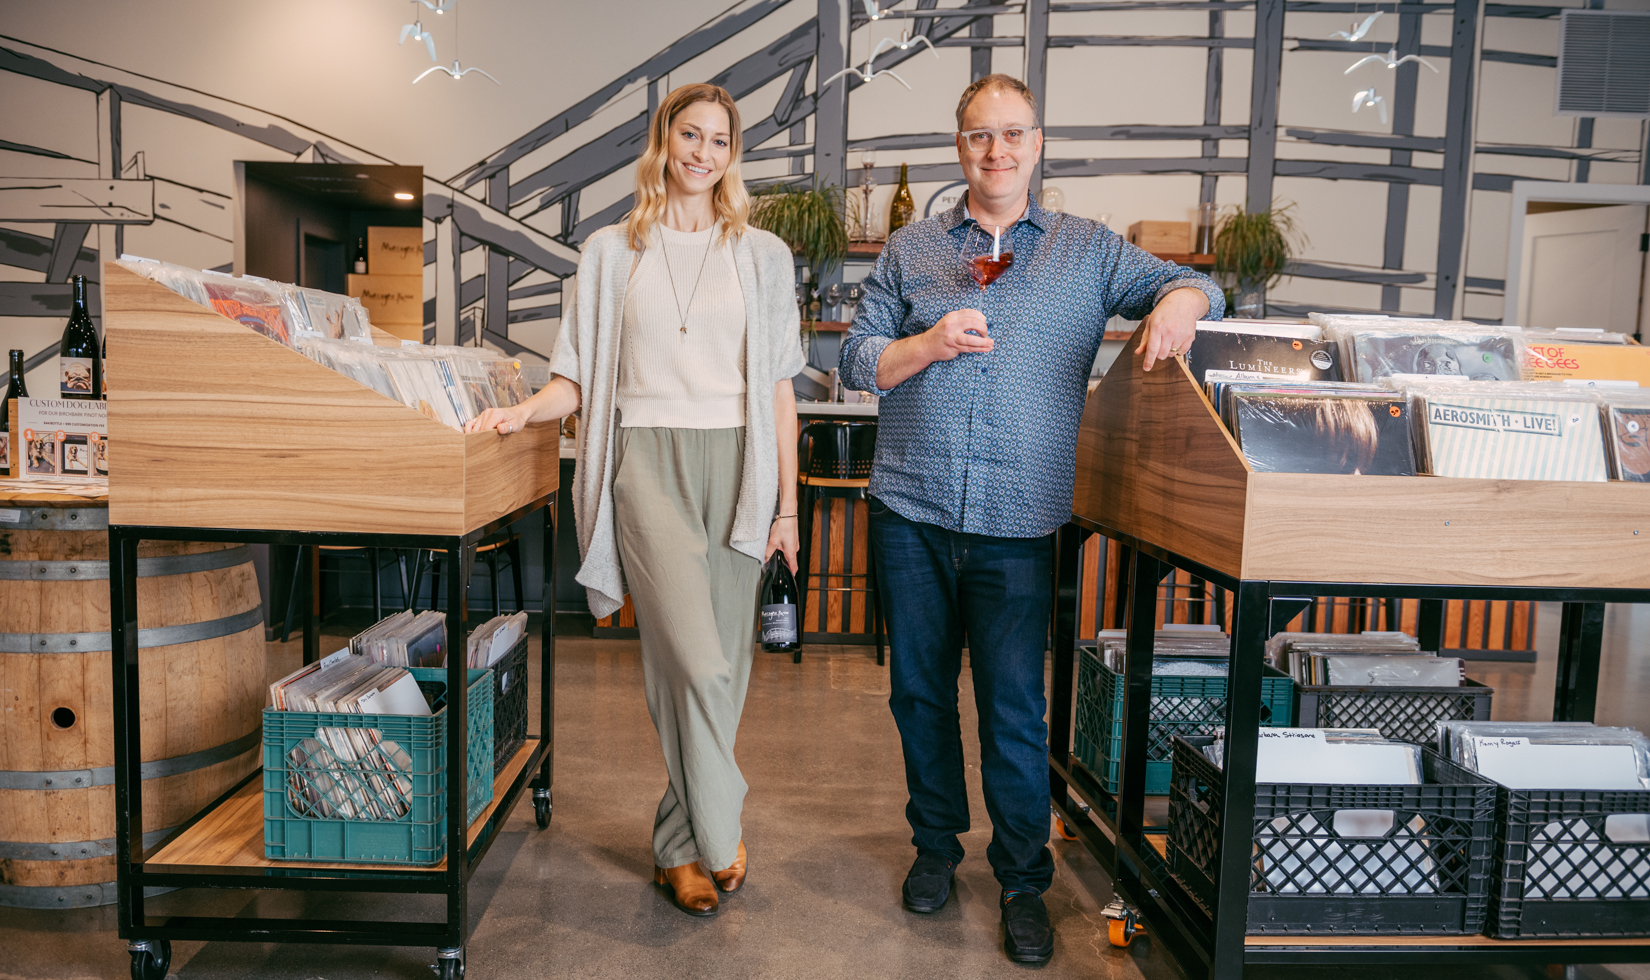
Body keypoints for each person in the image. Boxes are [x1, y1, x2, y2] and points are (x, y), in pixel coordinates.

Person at [838, 73, 1224, 964]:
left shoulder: (1089, 251)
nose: (996, 150)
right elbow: (860, 356)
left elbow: (1198, 289)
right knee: (920, 696)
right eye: (980, 135)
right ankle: (935, 848)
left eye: (1013, 134)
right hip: (911, 507)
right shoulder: (912, 250)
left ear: (1038, 144)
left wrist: (1177, 302)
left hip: (1020, 521)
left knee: (1013, 709)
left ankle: (1022, 882)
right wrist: (929, 342)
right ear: (960, 146)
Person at [467, 82, 805, 918]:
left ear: (732, 154)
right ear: (663, 143)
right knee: (693, 657)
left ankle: (679, 846)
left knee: (722, 673)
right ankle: (720, 824)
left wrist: (787, 509)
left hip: (739, 465)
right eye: (689, 135)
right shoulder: (611, 251)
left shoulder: (762, 255)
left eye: (719, 140)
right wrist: (522, 411)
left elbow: (779, 394)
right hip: (646, 462)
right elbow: (574, 378)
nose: (702, 152)